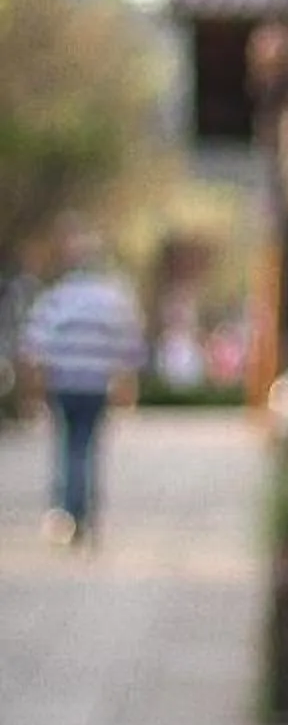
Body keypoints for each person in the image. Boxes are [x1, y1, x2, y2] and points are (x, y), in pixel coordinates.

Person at [21, 223, 146, 546]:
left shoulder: (56, 297)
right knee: (88, 446)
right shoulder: (113, 301)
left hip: (64, 383)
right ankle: (85, 511)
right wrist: (126, 383)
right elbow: (130, 346)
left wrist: (34, 386)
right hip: (96, 385)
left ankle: (67, 510)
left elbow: (34, 345)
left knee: (66, 446)